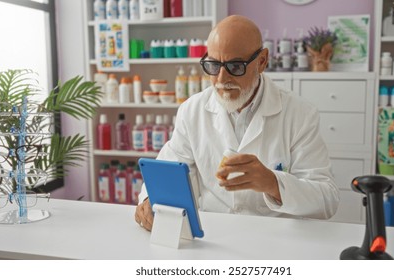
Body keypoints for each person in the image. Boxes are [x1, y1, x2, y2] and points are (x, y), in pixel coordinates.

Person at [135, 15, 339, 231]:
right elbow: (167, 171)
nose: (222, 79)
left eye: (235, 65)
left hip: (274, 237)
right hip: (214, 234)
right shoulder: (192, 110)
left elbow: (327, 200)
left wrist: (272, 183)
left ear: (262, 61)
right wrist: (149, 200)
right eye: (213, 65)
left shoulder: (300, 114)